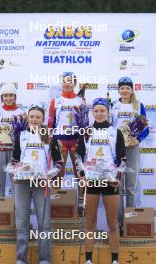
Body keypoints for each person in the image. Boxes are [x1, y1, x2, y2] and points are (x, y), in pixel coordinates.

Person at [75, 98, 126, 264]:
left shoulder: (115, 132)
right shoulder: (86, 132)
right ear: (92, 113)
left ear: (107, 112)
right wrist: (82, 175)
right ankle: (88, 259)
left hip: (110, 181)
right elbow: (79, 156)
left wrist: (117, 178)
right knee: (89, 222)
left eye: (102, 110)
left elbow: (122, 158)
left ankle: (115, 260)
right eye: (96, 111)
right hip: (92, 181)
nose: (99, 113)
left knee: (112, 223)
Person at [12, 105, 63, 264]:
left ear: (43, 119)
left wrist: (48, 176)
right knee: (21, 222)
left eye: (38, 117)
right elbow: (14, 161)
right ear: (28, 118)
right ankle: (21, 259)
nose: (34, 120)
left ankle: (45, 259)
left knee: (44, 223)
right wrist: (17, 170)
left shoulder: (49, 136)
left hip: (42, 184)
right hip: (22, 183)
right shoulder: (21, 135)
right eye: (31, 117)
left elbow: (59, 163)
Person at [111, 77, 149, 233]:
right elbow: (108, 126)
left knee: (131, 187)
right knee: (118, 187)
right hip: (117, 149)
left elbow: (146, 128)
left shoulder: (138, 105)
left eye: (127, 87)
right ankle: (119, 224)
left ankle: (130, 223)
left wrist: (138, 138)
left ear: (132, 89)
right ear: (119, 90)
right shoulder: (113, 105)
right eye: (122, 88)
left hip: (132, 149)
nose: (125, 90)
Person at [48, 72, 89, 187]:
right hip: (60, 140)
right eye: (65, 81)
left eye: (70, 81)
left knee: (79, 172)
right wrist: (49, 137)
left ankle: (81, 201)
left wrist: (86, 136)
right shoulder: (55, 101)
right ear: (61, 83)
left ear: (74, 83)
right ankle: (57, 200)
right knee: (58, 173)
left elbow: (85, 121)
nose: (67, 84)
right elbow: (51, 122)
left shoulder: (81, 100)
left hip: (76, 140)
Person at [0, 83, 25, 197]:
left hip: (15, 152)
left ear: (15, 97)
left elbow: (26, 132)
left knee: (16, 181)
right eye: (5, 95)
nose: (8, 98)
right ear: (2, 97)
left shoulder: (21, 112)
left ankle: (17, 208)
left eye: (11, 95)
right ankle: (0, 205)